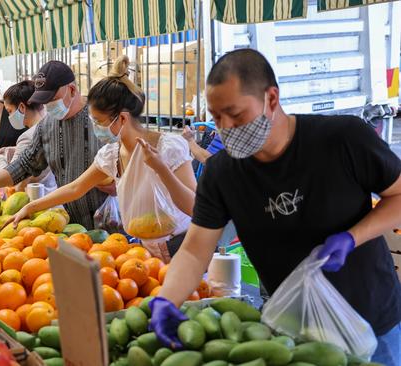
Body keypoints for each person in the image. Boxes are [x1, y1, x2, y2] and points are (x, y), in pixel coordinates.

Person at [150, 49, 401, 364]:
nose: (226, 127)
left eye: (236, 114)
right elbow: (193, 250)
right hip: (293, 337)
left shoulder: (342, 138)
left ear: (271, 98)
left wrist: (353, 237)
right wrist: (167, 301)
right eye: (217, 117)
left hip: (372, 324)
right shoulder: (223, 173)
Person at [6, 56, 196, 259]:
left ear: (122, 118)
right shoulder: (112, 153)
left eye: (98, 121)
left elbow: (196, 207)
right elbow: (75, 188)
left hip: (181, 248)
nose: (96, 128)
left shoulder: (168, 148)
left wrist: (160, 168)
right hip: (143, 252)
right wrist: (31, 206)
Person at [0, 61, 109, 229]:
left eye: (52, 99)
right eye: (45, 101)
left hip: (105, 219)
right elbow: (24, 164)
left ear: (71, 90)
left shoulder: (101, 121)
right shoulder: (47, 126)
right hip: (65, 222)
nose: (48, 106)